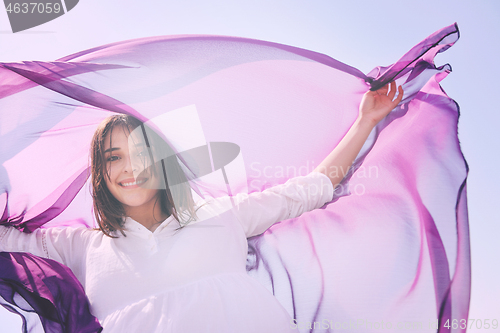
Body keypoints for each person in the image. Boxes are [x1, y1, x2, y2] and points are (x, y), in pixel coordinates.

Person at [0, 82, 403, 332]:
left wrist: (365, 122)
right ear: (101, 174)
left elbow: (310, 189)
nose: (131, 168)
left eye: (142, 152)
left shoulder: (220, 216)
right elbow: (7, 241)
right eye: (113, 157)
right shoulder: (83, 247)